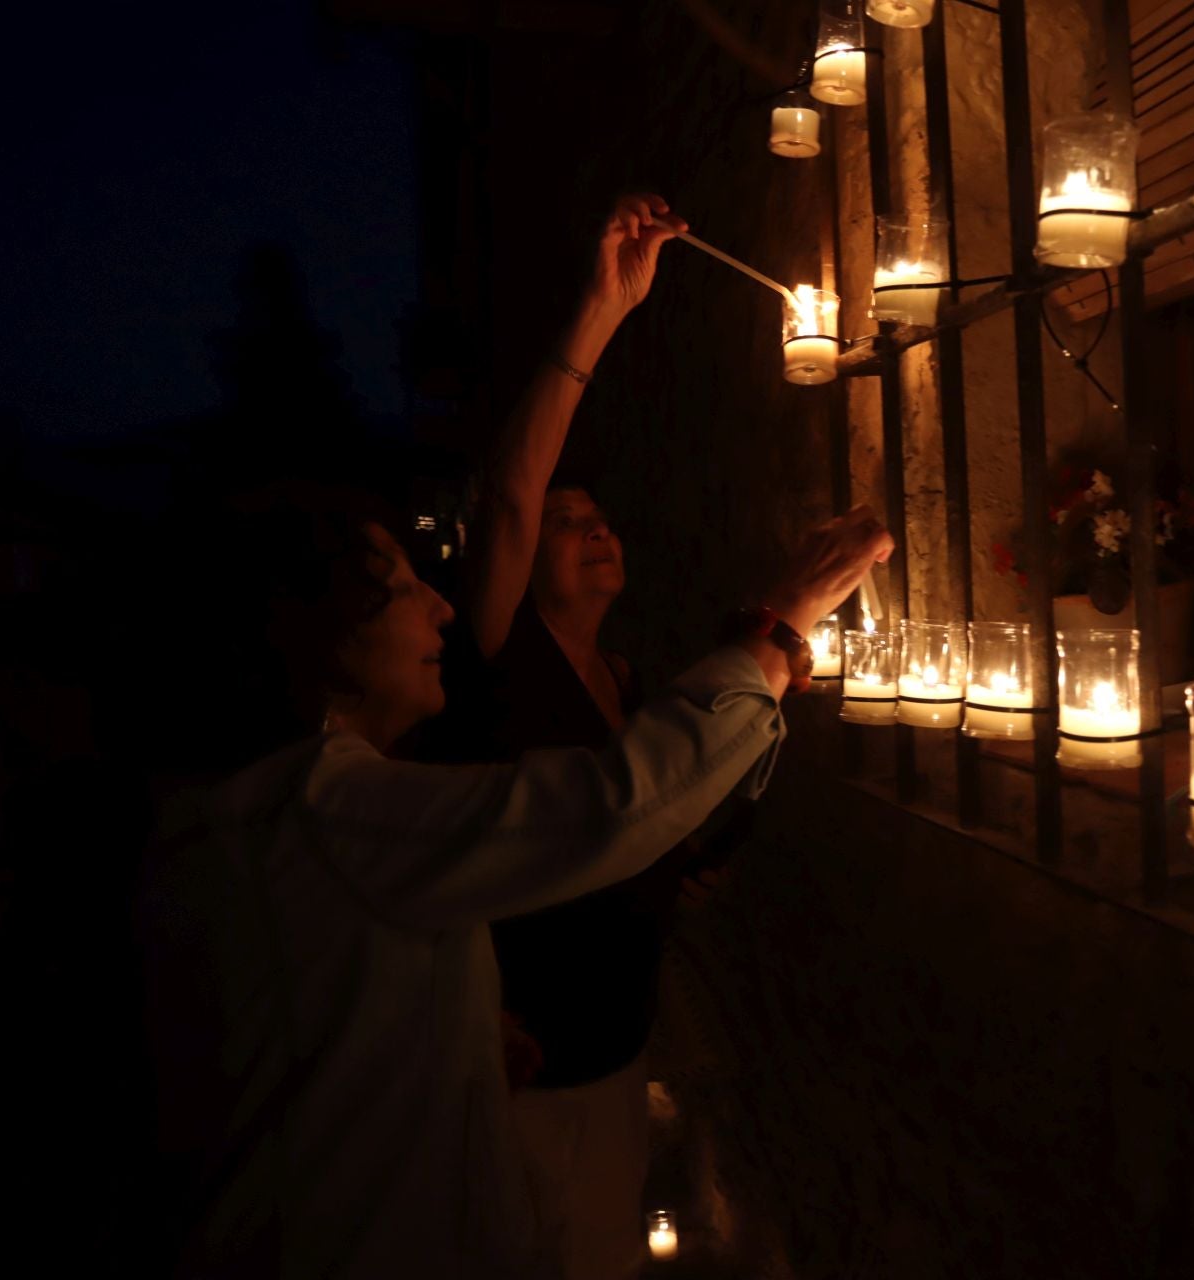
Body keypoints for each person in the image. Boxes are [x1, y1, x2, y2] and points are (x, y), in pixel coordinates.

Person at [136, 431, 893, 1272]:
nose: (441, 608)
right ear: (314, 630)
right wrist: (779, 622)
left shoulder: (268, 810)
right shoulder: (321, 804)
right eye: (399, 590)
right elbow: (607, 806)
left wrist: (449, 1022)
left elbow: (316, 992)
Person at [414, 193, 721, 1279]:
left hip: (618, 1053)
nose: (595, 530)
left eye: (601, 518)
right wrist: (604, 308)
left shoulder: (628, 680)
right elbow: (506, 493)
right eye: (568, 520)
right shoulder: (502, 656)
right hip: (520, 1069)